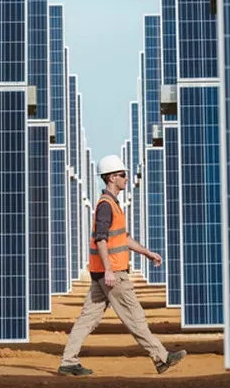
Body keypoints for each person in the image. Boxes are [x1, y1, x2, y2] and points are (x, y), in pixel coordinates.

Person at [57, 154, 187, 376]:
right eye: (122, 175)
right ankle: (161, 357)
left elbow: (122, 238)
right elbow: (101, 239)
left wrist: (146, 253)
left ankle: (68, 362)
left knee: (87, 319)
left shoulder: (112, 205)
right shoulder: (106, 206)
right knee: (134, 316)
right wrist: (109, 269)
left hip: (102, 273)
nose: (127, 178)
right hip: (113, 273)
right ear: (111, 178)